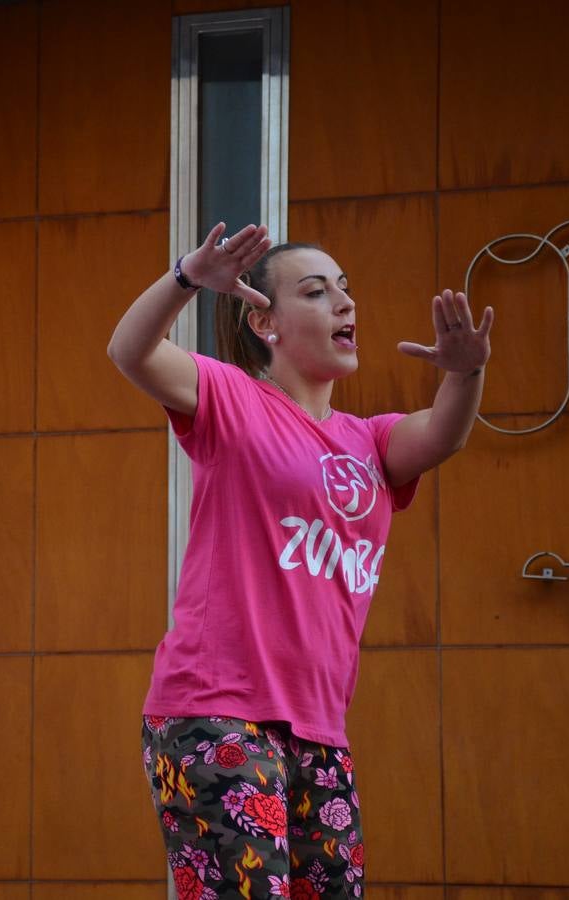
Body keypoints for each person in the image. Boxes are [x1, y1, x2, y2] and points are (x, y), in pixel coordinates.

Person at [108, 223, 492, 900]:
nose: (344, 304)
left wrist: (465, 371)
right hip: (214, 711)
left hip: (320, 730)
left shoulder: (369, 442)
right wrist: (186, 278)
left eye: (346, 291)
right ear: (265, 322)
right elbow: (130, 351)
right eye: (316, 293)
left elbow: (443, 435)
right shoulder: (232, 399)